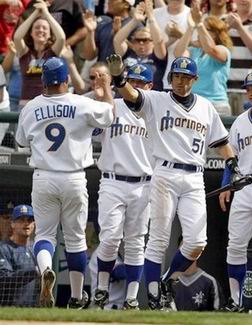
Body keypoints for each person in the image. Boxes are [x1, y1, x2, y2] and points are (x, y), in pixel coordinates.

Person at [106, 53, 244, 310]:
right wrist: (118, 78)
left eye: (186, 77)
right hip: (165, 173)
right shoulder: (158, 99)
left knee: (197, 241)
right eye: (176, 76)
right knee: (158, 239)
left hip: (194, 175)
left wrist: (233, 165)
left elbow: (222, 144)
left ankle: (167, 279)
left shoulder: (205, 106)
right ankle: (154, 295)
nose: (180, 81)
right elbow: (132, 96)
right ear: (170, 78)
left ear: (195, 79)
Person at [15, 56, 114, 309]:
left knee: (45, 235)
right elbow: (110, 116)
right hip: (74, 177)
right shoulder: (81, 103)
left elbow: (21, 141)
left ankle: (46, 268)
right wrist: (105, 91)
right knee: (76, 239)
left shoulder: (31, 106)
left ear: (43, 81)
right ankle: (78, 296)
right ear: (67, 80)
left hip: (44, 176)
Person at [92, 63, 154, 310]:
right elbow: (94, 128)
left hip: (144, 184)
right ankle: (102, 288)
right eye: (133, 81)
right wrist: (104, 93)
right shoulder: (112, 104)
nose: (135, 86)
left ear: (150, 86)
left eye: (141, 83)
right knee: (109, 239)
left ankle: (131, 297)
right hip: (113, 180)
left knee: (136, 242)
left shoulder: (156, 111)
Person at [219, 71, 252, 312]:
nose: (251, 92)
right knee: (235, 245)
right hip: (243, 186)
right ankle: (236, 302)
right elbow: (230, 157)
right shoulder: (240, 121)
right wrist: (226, 184)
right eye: (248, 88)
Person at [174, 3, 233, 116]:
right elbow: (179, 54)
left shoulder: (223, 50)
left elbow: (211, 49)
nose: (200, 31)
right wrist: (191, 27)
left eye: (206, 29)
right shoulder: (195, 51)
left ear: (216, 34)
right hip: (193, 103)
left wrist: (199, 23)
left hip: (216, 105)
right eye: (200, 28)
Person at [13, 0, 65, 107]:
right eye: (36, 27)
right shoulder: (25, 52)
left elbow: (61, 37)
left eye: (45, 28)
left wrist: (46, 13)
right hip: (26, 104)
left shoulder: (52, 53)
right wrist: (35, 13)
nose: (40, 30)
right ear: (31, 33)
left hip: (47, 104)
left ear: (50, 34)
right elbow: (17, 37)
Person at [113, 0, 167, 90]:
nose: (141, 43)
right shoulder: (128, 53)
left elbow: (159, 41)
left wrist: (151, 17)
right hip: (124, 95)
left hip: (149, 98)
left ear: (152, 43)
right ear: (133, 43)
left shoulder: (157, 56)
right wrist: (135, 20)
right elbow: (117, 41)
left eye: (145, 40)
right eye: (137, 40)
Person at [225, 0, 252, 115]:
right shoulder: (224, 19)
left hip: (251, 89)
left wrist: (239, 28)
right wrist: (225, 28)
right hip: (224, 89)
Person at [0, 204, 40, 306]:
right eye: (21, 220)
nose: (26, 223)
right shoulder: (4, 248)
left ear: (34, 224)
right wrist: (33, 272)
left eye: (29, 220)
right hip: (7, 311)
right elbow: (4, 278)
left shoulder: (35, 251)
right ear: (12, 224)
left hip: (31, 312)